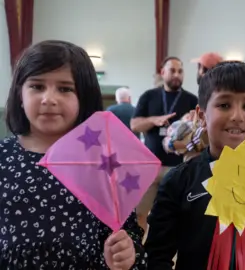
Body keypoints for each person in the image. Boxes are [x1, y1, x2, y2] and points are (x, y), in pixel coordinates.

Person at [145, 61, 245, 269]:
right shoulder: (180, 181)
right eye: (224, 105)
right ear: (202, 116)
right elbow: (157, 253)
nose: (237, 116)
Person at [1, 40, 146, 269]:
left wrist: (125, 256)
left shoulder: (103, 164)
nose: (49, 99)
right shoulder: (3, 158)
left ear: (83, 97)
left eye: (65, 89)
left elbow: (127, 237)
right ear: (20, 94)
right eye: (37, 86)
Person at [131, 56, 198, 231]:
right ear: (163, 72)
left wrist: (190, 122)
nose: (177, 75)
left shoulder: (192, 100)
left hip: (181, 168)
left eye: (180, 71)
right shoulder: (149, 96)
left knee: (179, 217)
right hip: (151, 167)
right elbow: (135, 125)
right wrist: (155, 120)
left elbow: (200, 131)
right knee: (140, 213)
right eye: (172, 70)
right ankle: (138, 251)